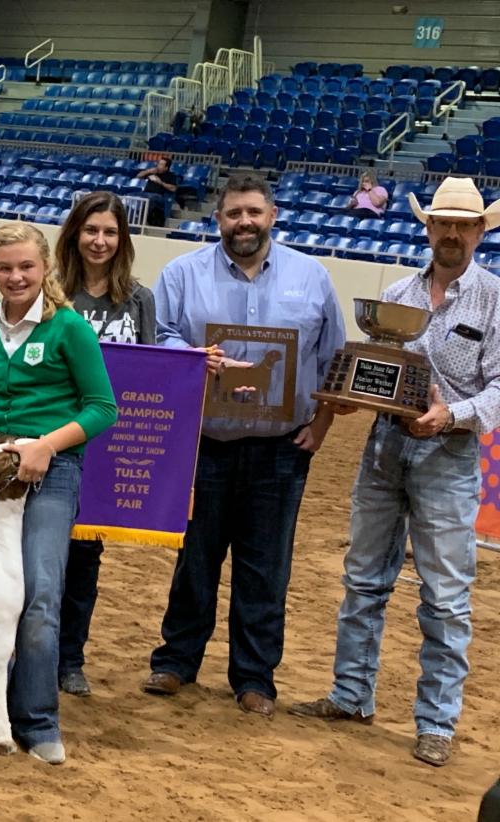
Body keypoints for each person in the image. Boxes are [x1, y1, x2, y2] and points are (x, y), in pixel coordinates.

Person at [289, 177, 500, 768]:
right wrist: (351, 396)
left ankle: (436, 722)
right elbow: (380, 369)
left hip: (449, 455)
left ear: (479, 232)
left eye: (463, 225)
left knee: (446, 597)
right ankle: (350, 695)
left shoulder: (495, 298)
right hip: (384, 447)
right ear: (427, 228)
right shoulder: (399, 292)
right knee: (363, 579)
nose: (452, 233)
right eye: (442, 223)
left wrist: (451, 414)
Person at [142, 174, 346, 715]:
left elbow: (334, 359)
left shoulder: (313, 276)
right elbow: (158, 336)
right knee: (196, 557)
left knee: (266, 567)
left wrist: (323, 425)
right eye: (234, 214)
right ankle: (176, 660)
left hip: (281, 448)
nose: (244, 223)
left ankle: (255, 677)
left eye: (254, 212)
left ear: (272, 215)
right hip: (204, 441)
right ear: (219, 219)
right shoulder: (182, 273)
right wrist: (195, 357)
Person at [0, 221, 117, 764]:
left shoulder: (70, 329)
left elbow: (102, 407)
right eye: (5, 268)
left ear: (45, 268)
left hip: (51, 473)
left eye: (26, 267)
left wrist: (47, 445)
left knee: (39, 593)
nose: (15, 276)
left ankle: (36, 719)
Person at [53, 192, 156, 697]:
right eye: (91, 230)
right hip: (51, 439)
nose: (100, 241)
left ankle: (70, 658)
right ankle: (24, 653)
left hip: (106, 447)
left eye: (110, 232)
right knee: (36, 555)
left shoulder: (139, 299)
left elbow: (151, 369)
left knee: (84, 557)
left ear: (123, 239)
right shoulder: (50, 292)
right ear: (75, 234)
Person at [134, 157, 177, 227]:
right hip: (145, 194)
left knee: (150, 198)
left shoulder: (171, 176)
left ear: (166, 168)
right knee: (131, 195)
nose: (158, 166)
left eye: (161, 165)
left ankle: (140, 219)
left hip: (158, 196)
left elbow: (173, 188)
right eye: (158, 164)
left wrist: (160, 182)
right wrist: (148, 171)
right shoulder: (153, 172)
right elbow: (138, 176)